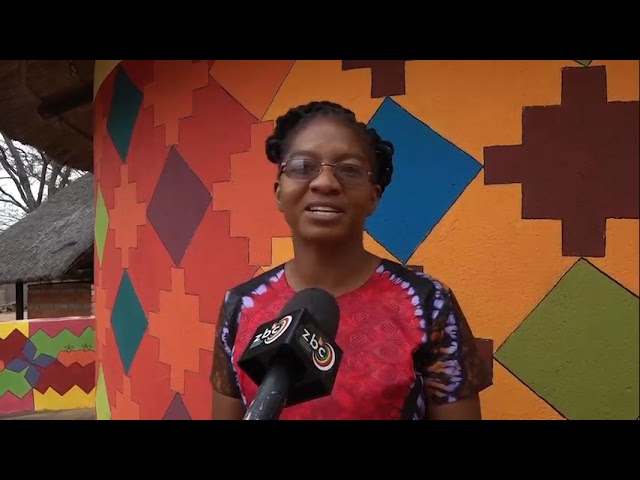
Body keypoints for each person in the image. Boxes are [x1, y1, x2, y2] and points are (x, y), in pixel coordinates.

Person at [210, 100, 492, 420]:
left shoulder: (429, 305)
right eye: (303, 167)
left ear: (373, 196)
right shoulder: (240, 305)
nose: (325, 183)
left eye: (349, 170)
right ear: (279, 192)